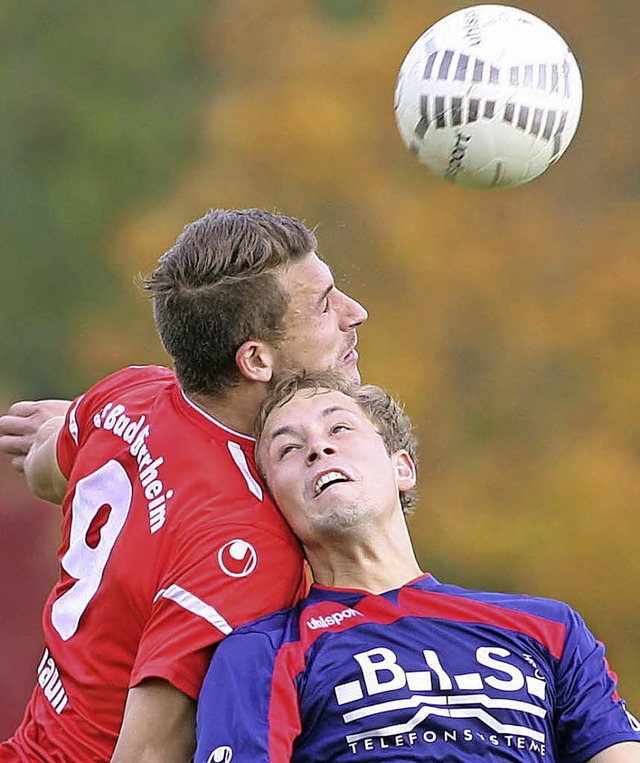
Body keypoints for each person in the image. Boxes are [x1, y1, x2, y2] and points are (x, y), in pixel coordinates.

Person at [0, 208, 368, 763]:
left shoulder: (129, 392)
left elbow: (47, 472)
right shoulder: (244, 546)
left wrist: (67, 426)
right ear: (255, 359)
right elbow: (147, 755)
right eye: (324, 303)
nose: (354, 313)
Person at [195, 371, 640, 763]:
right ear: (276, 503)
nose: (318, 447)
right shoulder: (263, 652)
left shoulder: (550, 628)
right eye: (289, 449)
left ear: (401, 467)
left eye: (339, 427)